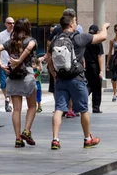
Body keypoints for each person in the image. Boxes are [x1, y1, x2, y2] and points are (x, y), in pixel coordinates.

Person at [47, 13, 110, 150]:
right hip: (77, 79)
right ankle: (88, 138)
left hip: (61, 80)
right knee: (83, 110)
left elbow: (48, 59)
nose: (76, 24)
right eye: (75, 21)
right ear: (70, 24)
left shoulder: (55, 40)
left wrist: (54, 75)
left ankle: (55, 139)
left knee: (58, 109)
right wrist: (104, 27)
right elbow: (102, 37)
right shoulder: (79, 38)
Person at [0, 18, 38, 148]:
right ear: (28, 28)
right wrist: (20, 60)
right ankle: (26, 130)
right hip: (27, 76)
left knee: (16, 109)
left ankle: (18, 139)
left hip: (12, 77)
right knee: (32, 106)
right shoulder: (31, 40)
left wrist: (1, 65)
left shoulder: (9, 42)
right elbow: (29, 47)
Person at [0, 17, 15, 112]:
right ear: (5, 24)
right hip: (3, 63)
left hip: (14, 63)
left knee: (12, 83)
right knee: (3, 84)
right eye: (10, 23)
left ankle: (9, 101)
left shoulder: (17, 35)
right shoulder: (1, 35)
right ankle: (7, 98)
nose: (12, 25)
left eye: (13, 23)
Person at [85, 24, 104, 113]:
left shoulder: (86, 42)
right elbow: (99, 57)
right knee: (96, 87)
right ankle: (96, 107)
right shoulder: (98, 43)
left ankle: (82, 98)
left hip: (86, 66)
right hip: (95, 66)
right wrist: (101, 70)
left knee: (88, 85)